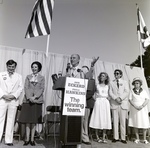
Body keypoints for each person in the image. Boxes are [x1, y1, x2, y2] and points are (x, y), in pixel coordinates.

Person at [19, 61, 45, 146]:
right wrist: (30, 97)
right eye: (33, 67)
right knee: (27, 120)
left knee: (33, 121)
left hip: (37, 101)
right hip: (27, 100)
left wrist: (35, 97)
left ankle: (32, 139)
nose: (34, 68)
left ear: (39, 68)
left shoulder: (42, 78)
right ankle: (27, 139)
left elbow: (41, 88)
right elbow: (26, 87)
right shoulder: (28, 77)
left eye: (36, 67)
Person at [0, 59, 23, 146]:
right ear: (7, 66)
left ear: (15, 67)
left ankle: (8, 140)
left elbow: (20, 88)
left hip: (13, 100)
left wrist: (13, 96)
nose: (11, 68)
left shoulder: (19, 76)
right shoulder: (1, 74)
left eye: (13, 67)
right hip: (2, 99)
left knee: (11, 119)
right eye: (9, 66)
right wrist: (3, 95)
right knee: (0, 119)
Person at [89, 72, 112, 143]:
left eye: (103, 76)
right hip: (98, 102)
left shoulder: (108, 86)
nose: (102, 77)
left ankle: (104, 137)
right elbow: (93, 94)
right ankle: (97, 137)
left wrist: (108, 98)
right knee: (97, 118)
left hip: (105, 102)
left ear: (106, 78)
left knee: (105, 118)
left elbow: (110, 94)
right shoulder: (97, 85)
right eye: (101, 76)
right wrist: (96, 99)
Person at [109, 69, 129, 144]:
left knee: (122, 121)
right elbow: (110, 92)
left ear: (121, 74)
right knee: (115, 121)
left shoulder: (125, 82)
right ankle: (115, 137)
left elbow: (127, 91)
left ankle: (123, 138)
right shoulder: (111, 82)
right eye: (115, 74)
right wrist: (115, 98)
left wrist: (120, 98)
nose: (116, 75)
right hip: (114, 103)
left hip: (122, 103)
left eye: (117, 73)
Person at [128, 77, 150, 144]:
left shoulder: (144, 91)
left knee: (144, 123)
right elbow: (130, 99)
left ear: (140, 84)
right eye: (135, 83)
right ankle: (137, 138)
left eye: (137, 83)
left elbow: (147, 99)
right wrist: (135, 106)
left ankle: (144, 139)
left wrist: (142, 106)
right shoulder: (132, 91)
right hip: (134, 109)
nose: (136, 85)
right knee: (135, 122)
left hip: (142, 109)